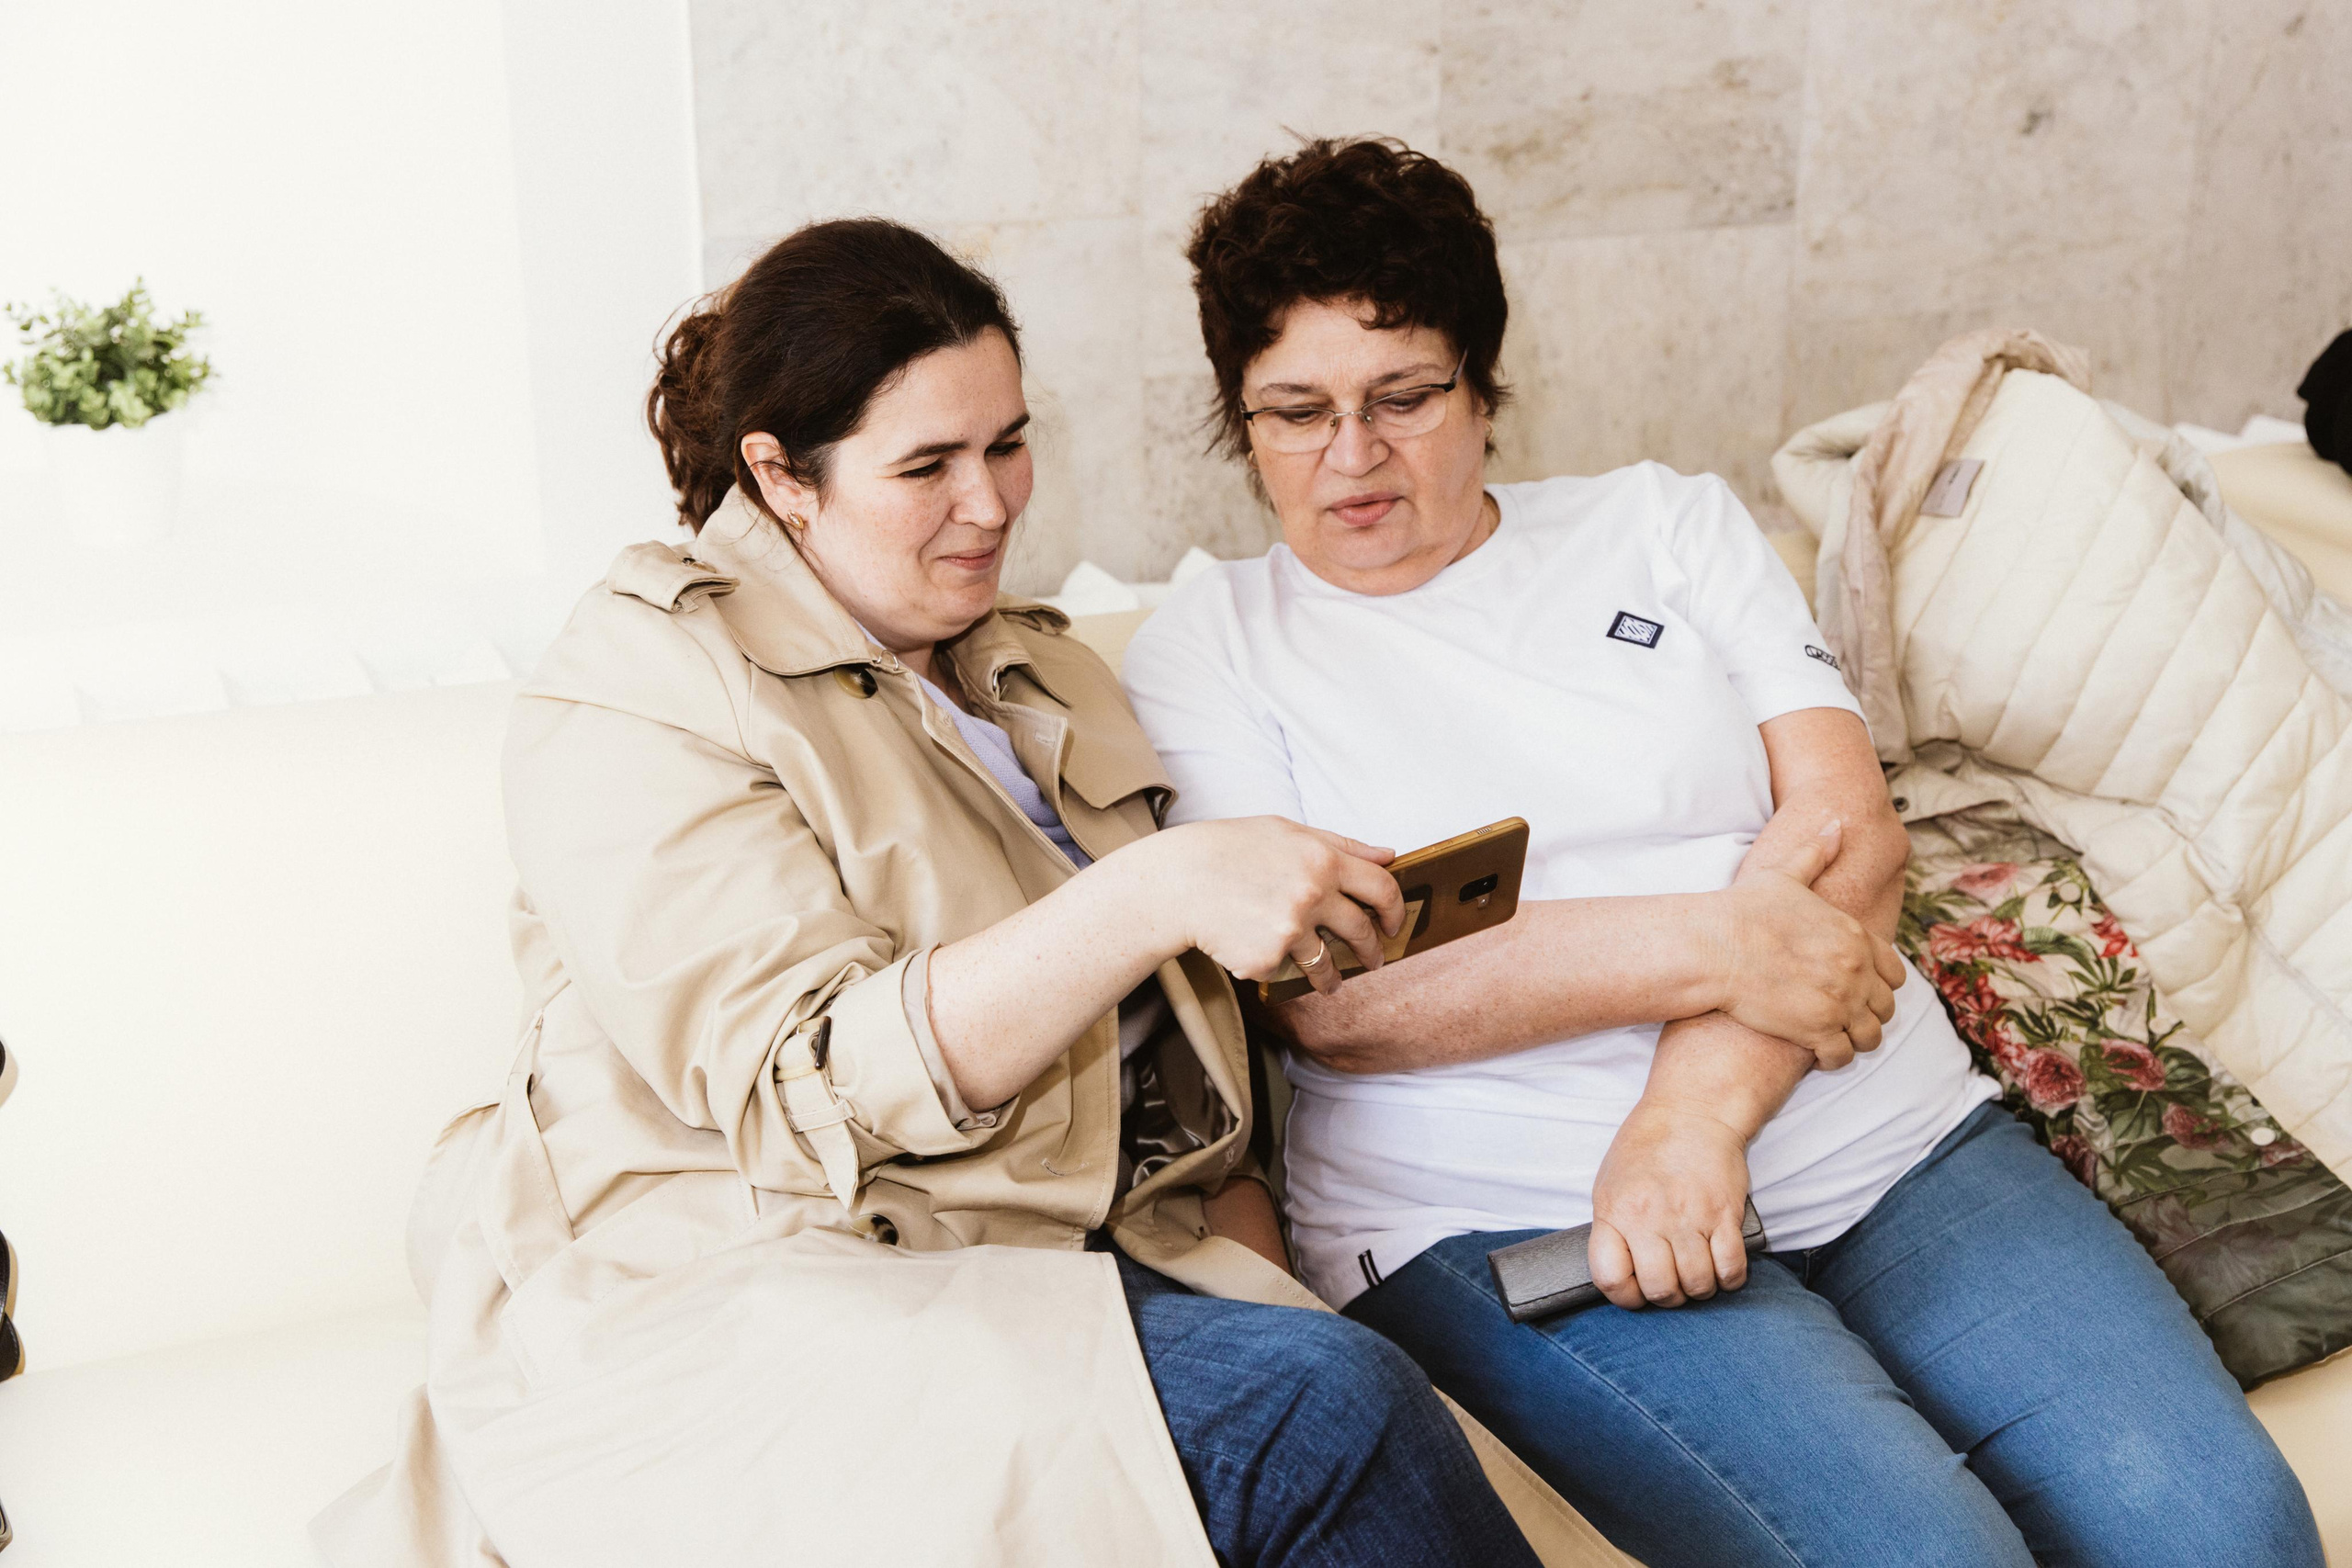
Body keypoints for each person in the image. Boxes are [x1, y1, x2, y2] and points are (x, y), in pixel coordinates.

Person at [1120, 138, 2323, 1568]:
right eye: (1292, 412)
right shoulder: (1210, 646)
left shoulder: (1665, 525)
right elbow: (1342, 997)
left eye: (1403, 397)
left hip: (1885, 1139)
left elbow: (1846, 836)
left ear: (1486, 387)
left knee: (2228, 1529)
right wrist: (1727, 933)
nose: (1351, 456)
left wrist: (1691, 1121)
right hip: (1508, 1204)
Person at [320, 217, 1544, 1568]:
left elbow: (1176, 1052)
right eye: (928, 466)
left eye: (1008, 443)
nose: (993, 503)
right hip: (783, 1272)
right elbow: (806, 1090)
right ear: (784, 478)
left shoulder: (1035, 666)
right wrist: (1155, 891)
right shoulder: (633, 690)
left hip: (1072, 1252)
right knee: (1321, 1416)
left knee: (1333, 1387)